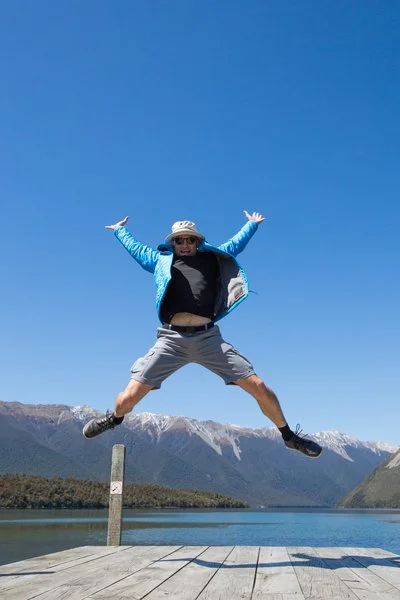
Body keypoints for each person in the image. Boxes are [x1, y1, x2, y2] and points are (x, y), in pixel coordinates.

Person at [83, 211, 322, 459]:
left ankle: (289, 437)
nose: (185, 245)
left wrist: (251, 224)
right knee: (127, 399)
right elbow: (137, 250)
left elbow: (235, 245)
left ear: (198, 242)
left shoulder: (212, 259)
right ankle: (114, 418)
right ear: (172, 243)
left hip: (209, 339)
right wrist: (120, 231)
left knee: (258, 385)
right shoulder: (160, 261)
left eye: (190, 240)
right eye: (179, 240)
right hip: (170, 340)